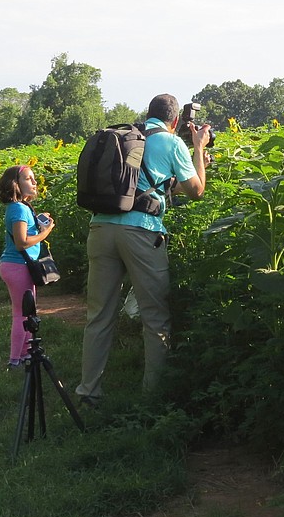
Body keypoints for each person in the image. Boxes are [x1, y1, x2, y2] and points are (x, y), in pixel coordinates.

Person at [76, 93, 211, 405]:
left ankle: (88, 392)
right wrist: (199, 148)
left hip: (101, 228)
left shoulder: (128, 138)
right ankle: (153, 396)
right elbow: (197, 191)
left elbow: (159, 185)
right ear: (175, 121)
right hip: (141, 232)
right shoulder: (172, 142)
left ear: (148, 114)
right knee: (155, 316)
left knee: (99, 314)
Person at [0, 165, 55, 369]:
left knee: (28, 312)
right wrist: (46, 232)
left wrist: (39, 222)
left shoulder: (22, 207)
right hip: (16, 266)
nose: (34, 182)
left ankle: (27, 353)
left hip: (19, 266)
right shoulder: (18, 208)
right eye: (28, 179)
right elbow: (22, 242)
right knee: (21, 314)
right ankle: (15, 360)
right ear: (16, 184)